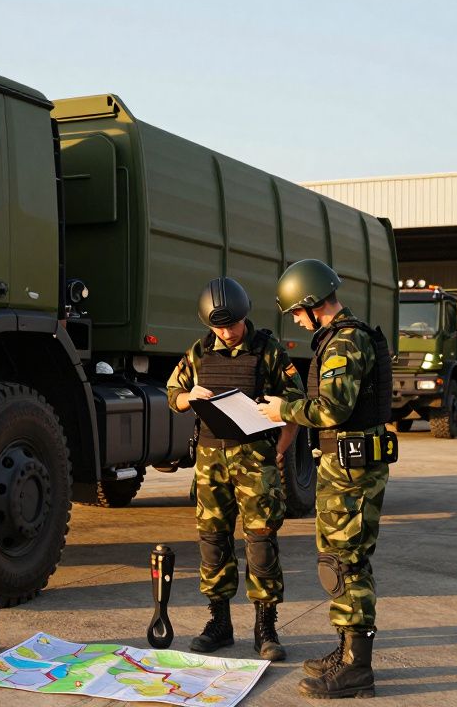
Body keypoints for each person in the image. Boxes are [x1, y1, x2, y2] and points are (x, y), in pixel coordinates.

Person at [259, 259, 394, 700]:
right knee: (341, 561)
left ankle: (357, 669)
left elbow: (331, 410)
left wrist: (285, 410)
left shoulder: (344, 344)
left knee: (345, 563)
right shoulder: (344, 338)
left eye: (297, 311)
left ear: (314, 303)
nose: (296, 320)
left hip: (351, 473)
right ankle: (346, 652)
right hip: (347, 468)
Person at [166, 277, 303, 660]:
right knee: (213, 543)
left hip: (255, 460)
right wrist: (187, 396)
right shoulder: (198, 351)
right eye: (218, 326)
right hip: (210, 462)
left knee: (260, 544)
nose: (226, 332)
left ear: (245, 316)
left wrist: (280, 449)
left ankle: (266, 626)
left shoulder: (268, 350)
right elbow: (172, 393)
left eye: (232, 324)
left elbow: (295, 402)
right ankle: (219, 623)